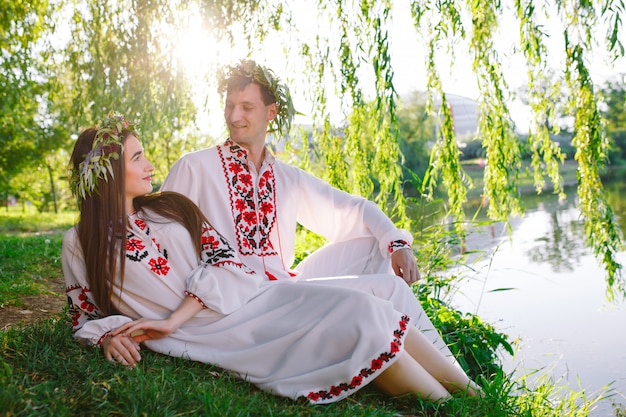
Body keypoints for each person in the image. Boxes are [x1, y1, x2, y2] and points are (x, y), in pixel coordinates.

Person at [62, 111, 481, 404]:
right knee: (359, 314)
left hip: (249, 298)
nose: (151, 164)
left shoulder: (170, 206)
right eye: (138, 158)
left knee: (370, 305)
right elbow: (84, 316)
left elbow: (228, 262)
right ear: (109, 171)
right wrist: (110, 335)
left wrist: (173, 319)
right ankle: (447, 406)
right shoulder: (79, 244)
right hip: (210, 334)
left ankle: (468, 396)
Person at [161, 59, 454, 360]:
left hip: (285, 286)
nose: (235, 116)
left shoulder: (287, 177)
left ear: (270, 112)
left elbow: (355, 209)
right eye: (230, 105)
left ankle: (384, 349)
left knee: (374, 244)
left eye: (247, 107)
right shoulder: (194, 167)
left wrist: (397, 243)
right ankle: (455, 380)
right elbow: (156, 239)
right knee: (393, 291)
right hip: (242, 300)